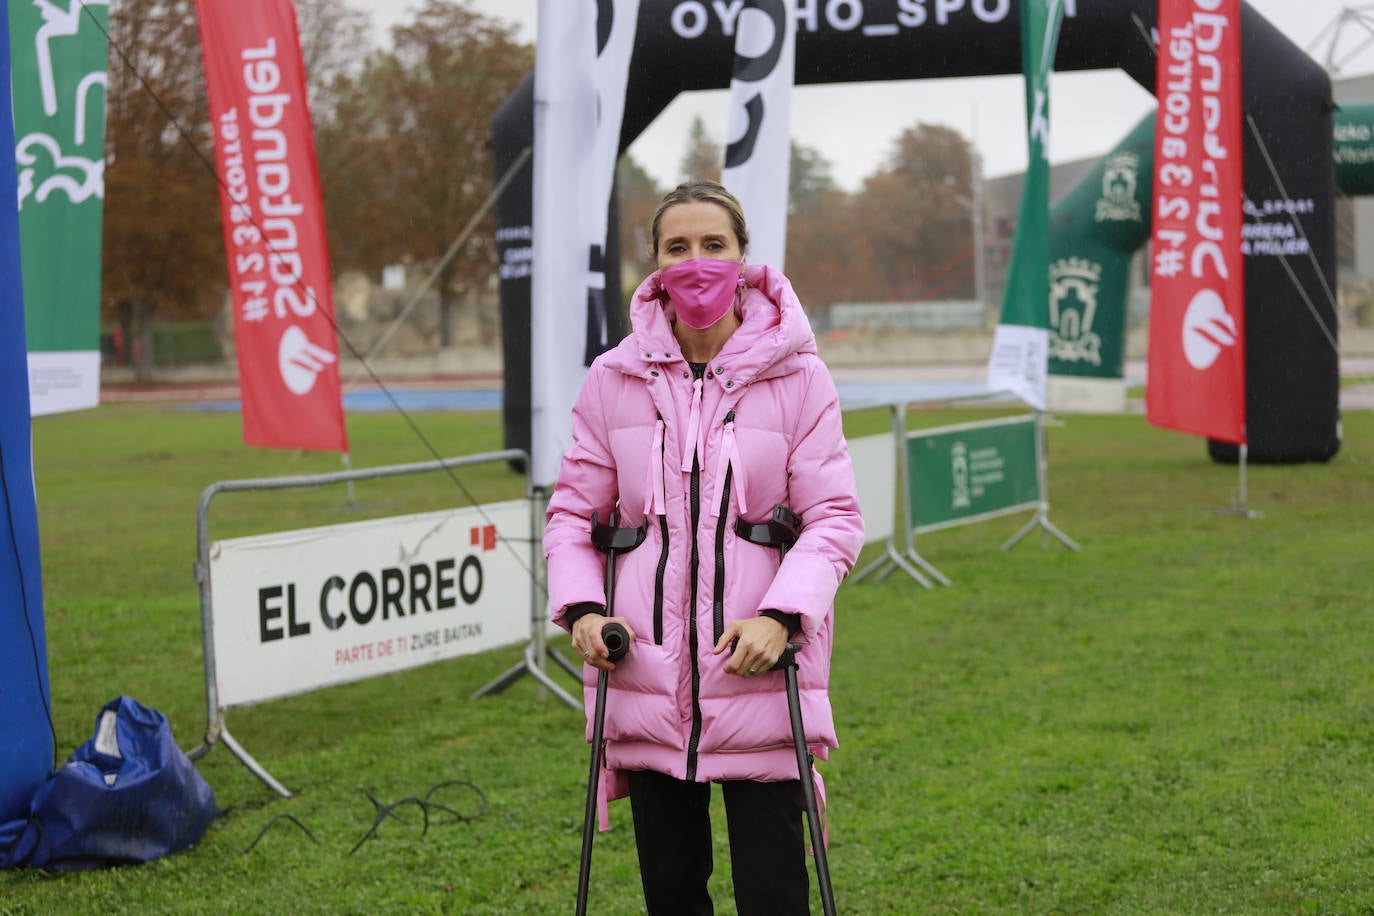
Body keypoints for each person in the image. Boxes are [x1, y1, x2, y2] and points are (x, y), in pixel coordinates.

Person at [544, 179, 864, 915]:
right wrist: (585, 610)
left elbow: (834, 518)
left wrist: (782, 618)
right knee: (673, 894)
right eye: (677, 247)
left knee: (774, 895)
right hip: (646, 680)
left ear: (744, 258)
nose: (696, 263)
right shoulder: (612, 378)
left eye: (713, 245)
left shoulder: (800, 377)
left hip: (760, 673)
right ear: (654, 266)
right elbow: (572, 516)